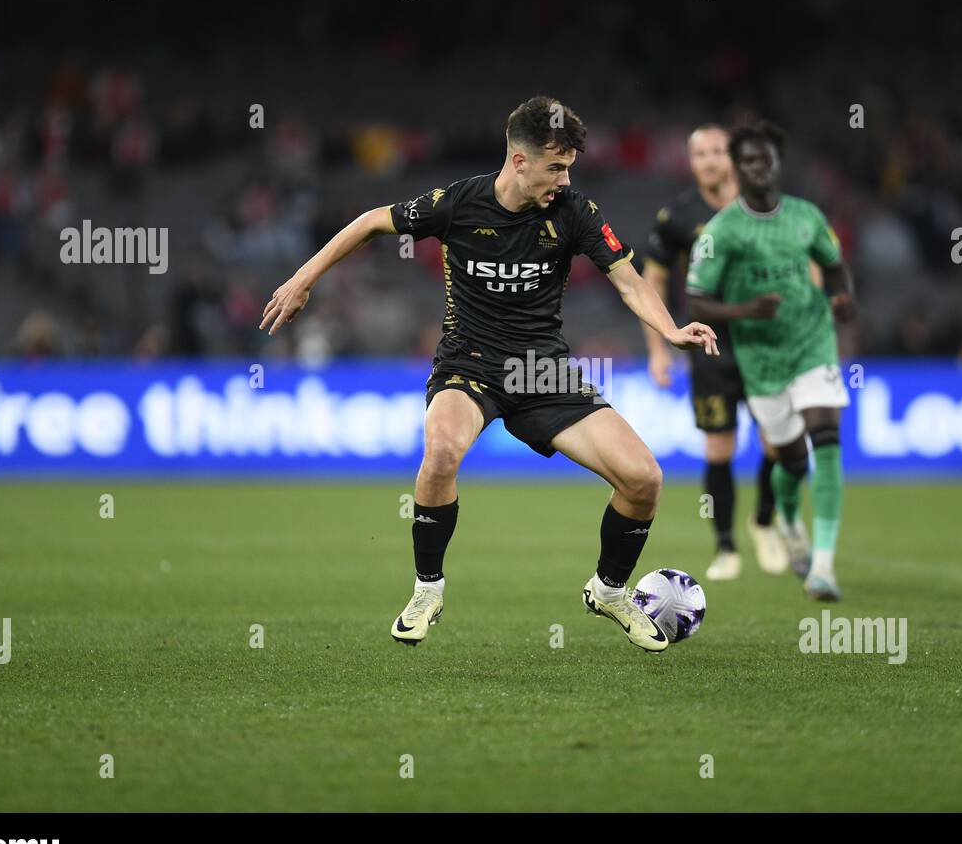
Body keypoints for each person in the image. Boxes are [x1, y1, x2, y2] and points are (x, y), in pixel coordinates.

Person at [260, 96, 718, 650]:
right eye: (555, 167)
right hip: (469, 364)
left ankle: (610, 589)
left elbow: (627, 279)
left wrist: (669, 330)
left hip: (542, 371)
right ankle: (428, 588)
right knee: (442, 450)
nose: (564, 178)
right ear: (519, 162)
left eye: (569, 167)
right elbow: (370, 222)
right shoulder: (459, 204)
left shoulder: (576, 212)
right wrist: (304, 279)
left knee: (644, 478)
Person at [686, 121, 856, 600]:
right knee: (792, 459)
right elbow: (697, 299)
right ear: (739, 169)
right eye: (749, 161)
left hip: (812, 343)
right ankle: (785, 514)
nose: (759, 168)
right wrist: (744, 310)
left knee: (826, 440)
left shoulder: (806, 216)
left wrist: (843, 299)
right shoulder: (724, 230)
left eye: (766, 159)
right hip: (760, 361)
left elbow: (836, 264)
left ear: (779, 163)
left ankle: (823, 566)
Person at [639, 123, 786, 581]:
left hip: (766, 343)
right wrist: (659, 348)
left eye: (718, 151)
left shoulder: (767, 206)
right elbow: (653, 279)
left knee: (777, 441)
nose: (709, 161)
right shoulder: (678, 215)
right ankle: (725, 546)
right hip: (709, 344)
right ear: (691, 162)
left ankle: (763, 520)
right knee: (719, 444)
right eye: (699, 153)